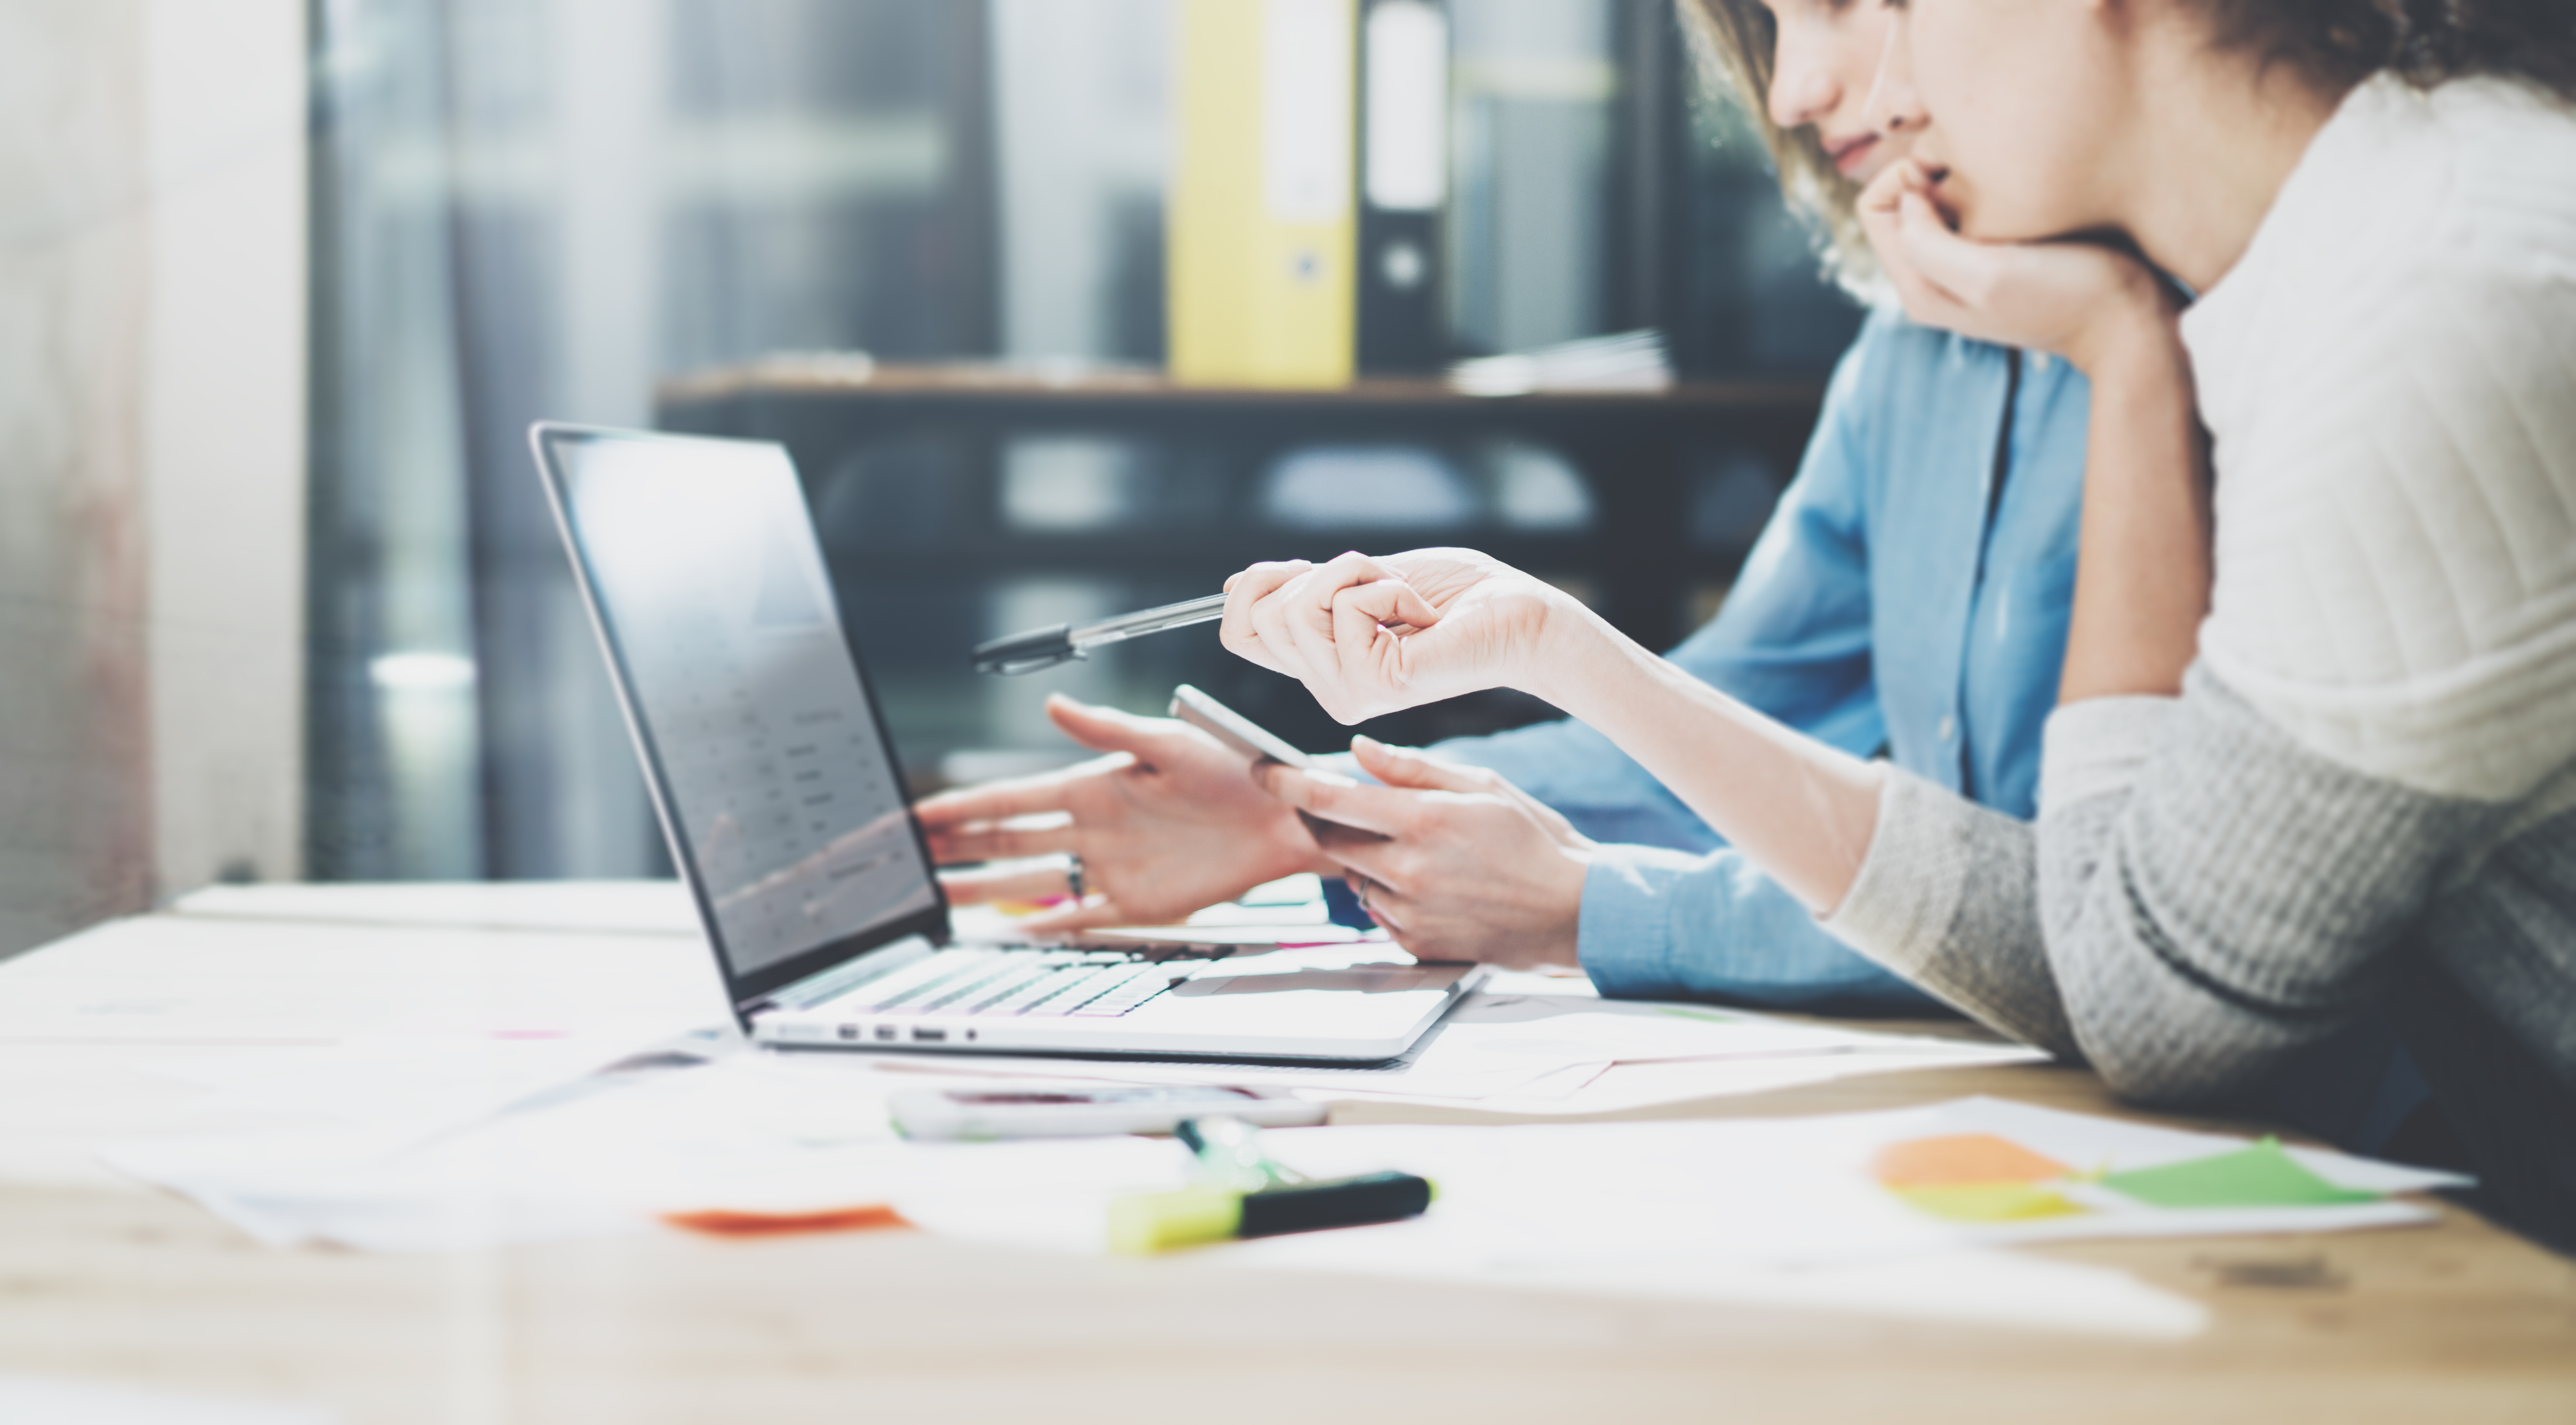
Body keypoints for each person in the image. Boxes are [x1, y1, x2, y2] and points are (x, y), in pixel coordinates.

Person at [1218, 0, 2576, 1248]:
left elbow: (2151, 998)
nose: (1817, 88)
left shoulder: (2428, 301)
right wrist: (1531, 660)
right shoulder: (2364, 243)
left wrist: (2119, 359)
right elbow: (2122, 930)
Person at [916, 0, 2091, 1016]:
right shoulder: (1911, 348)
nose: (1789, 91)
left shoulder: (2179, 351)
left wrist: (1591, 907)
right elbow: (1715, 727)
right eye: (1768, 26)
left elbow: (2077, 923)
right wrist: (1315, 808)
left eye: (1842, 2)